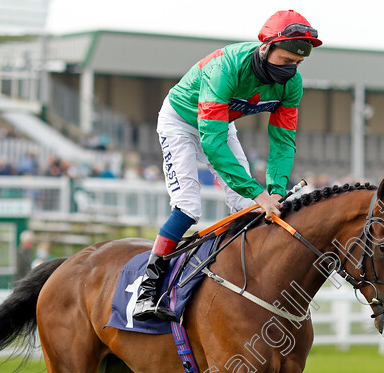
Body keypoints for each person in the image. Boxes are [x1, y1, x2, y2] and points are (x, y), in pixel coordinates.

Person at [132, 10, 322, 321]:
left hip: (221, 125)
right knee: (188, 206)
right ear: (266, 49)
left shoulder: (292, 85)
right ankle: (148, 289)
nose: (291, 71)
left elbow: (283, 142)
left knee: (248, 206)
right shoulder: (225, 68)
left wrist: (274, 191)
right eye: (286, 61)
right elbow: (212, 142)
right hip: (182, 121)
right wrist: (256, 190)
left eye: (298, 64)